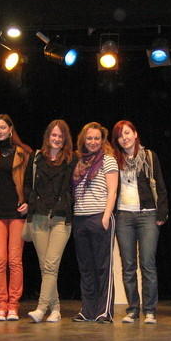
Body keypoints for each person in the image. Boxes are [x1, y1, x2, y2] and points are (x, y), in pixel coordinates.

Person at [111, 120, 168, 324]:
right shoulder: (114, 160)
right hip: (123, 216)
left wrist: (162, 213)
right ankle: (133, 309)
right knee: (128, 265)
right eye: (120, 135)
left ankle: (150, 310)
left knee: (147, 264)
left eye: (127, 133)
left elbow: (160, 185)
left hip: (148, 214)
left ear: (135, 134)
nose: (124, 138)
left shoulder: (149, 156)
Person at [24, 120, 76, 323]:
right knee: (45, 266)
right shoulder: (36, 157)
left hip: (61, 218)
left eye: (60, 136)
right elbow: (27, 184)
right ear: (47, 136)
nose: (57, 139)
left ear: (65, 139)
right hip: (38, 217)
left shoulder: (71, 159)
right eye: (54, 135)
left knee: (51, 264)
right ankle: (55, 309)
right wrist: (29, 202)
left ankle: (41, 308)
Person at [0, 114, 31, 321]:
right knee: (0, 260)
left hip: (17, 210)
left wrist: (28, 201)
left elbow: (29, 181)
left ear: (10, 129)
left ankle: (13, 305)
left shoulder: (23, 152)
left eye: (3, 127)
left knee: (15, 261)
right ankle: (1, 304)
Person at [71, 122, 118, 323]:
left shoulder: (108, 160)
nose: (93, 142)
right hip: (80, 218)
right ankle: (88, 310)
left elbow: (113, 191)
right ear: (83, 139)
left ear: (102, 140)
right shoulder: (78, 161)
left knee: (102, 266)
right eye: (89, 138)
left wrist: (106, 217)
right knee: (86, 267)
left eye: (97, 138)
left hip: (99, 216)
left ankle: (104, 311)